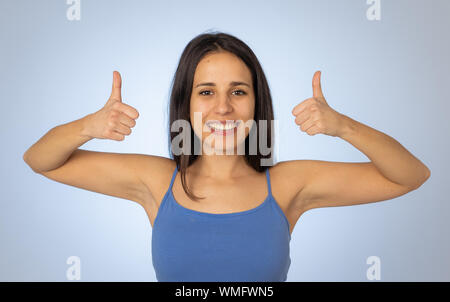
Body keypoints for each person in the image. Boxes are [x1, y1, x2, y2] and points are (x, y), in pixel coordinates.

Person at [23, 31, 430, 282]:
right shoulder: (156, 181)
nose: (222, 108)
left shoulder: (288, 184)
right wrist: (87, 127)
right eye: (206, 92)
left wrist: (343, 127)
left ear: (256, 104)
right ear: (186, 105)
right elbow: (41, 159)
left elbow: (409, 176)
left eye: (238, 91)